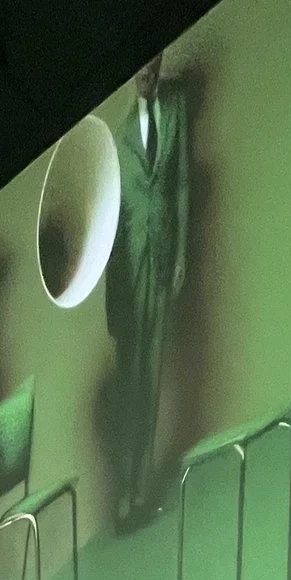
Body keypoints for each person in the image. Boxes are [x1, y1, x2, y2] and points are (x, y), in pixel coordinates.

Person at [105, 51, 189, 529]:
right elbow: (110, 223)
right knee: (131, 383)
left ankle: (140, 492)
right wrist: (113, 299)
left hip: (160, 260)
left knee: (152, 378)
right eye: (139, 68)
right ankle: (124, 494)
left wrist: (180, 256)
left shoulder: (175, 111)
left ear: (159, 62)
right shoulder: (117, 138)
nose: (146, 73)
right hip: (128, 271)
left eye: (152, 64)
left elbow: (182, 187)